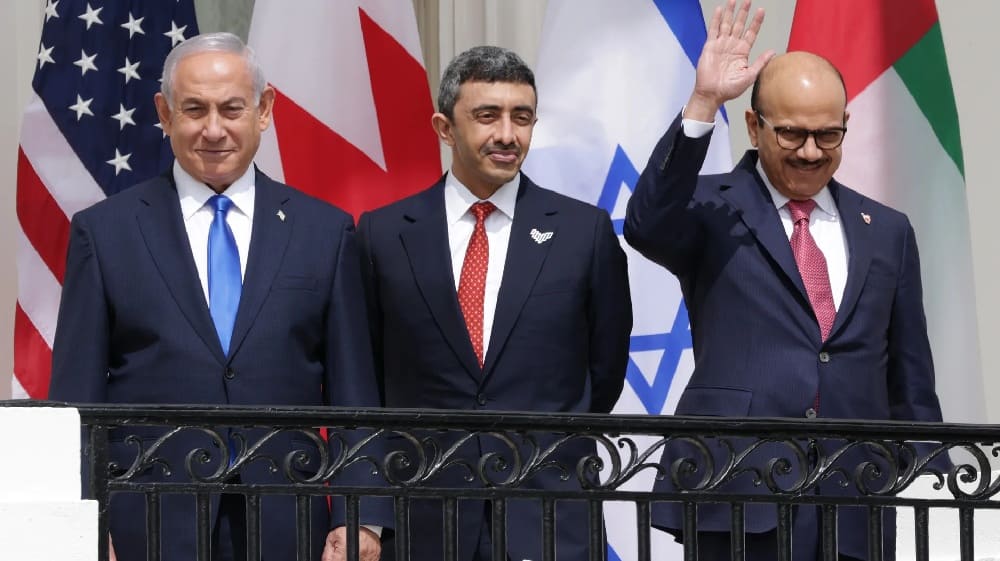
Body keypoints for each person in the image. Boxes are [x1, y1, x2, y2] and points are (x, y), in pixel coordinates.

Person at [48, 32, 389, 561]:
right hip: (147, 523)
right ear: (164, 114)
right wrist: (82, 522)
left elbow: (354, 393)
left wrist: (361, 517)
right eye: (194, 110)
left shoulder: (324, 231)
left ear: (264, 110)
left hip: (286, 522)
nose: (213, 130)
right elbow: (76, 399)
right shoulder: (105, 232)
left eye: (232, 109)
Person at [623, 1, 945, 560]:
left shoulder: (887, 230)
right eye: (793, 134)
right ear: (755, 126)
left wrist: (930, 477)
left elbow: (909, 374)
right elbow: (645, 224)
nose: (812, 152)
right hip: (738, 491)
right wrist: (703, 103)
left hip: (854, 498)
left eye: (828, 135)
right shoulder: (710, 208)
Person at [357, 46, 632, 561]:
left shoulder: (584, 233)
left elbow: (604, 369)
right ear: (444, 128)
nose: (507, 135)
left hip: (549, 516)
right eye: (487, 116)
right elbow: (365, 375)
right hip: (424, 514)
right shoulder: (384, 233)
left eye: (521, 118)